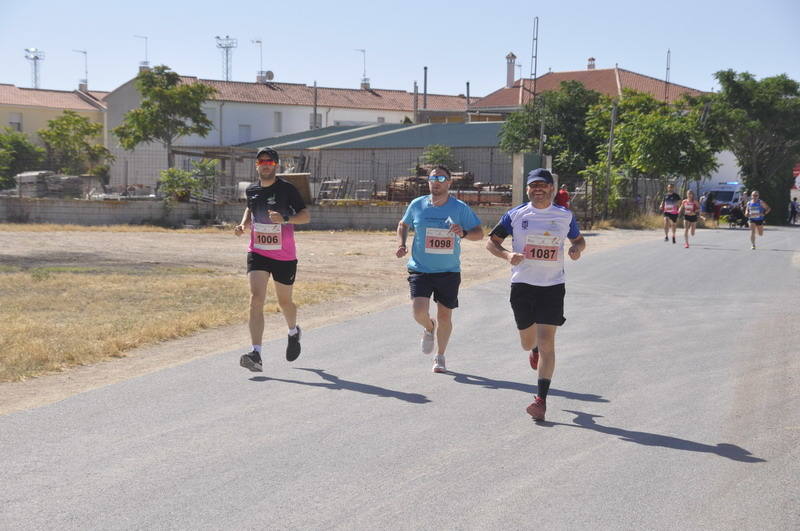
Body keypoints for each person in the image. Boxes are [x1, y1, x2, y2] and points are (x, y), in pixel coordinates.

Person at [486, 168, 586, 421]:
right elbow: (491, 242)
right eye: (533, 185)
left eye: (543, 185)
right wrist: (508, 255)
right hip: (523, 285)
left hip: (552, 286)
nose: (538, 189)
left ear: (552, 188)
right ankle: (533, 350)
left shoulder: (564, 216)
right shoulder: (516, 215)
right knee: (527, 342)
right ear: (527, 189)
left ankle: (540, 400)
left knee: (547, 342)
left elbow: (579, 240)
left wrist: (576, 248)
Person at [396, 165, 484, 373]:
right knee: (418, 312)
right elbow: (403, 224)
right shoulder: (417, 204)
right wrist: (401, 243)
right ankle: (429, 327)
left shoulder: (459, 207)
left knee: (445, 316)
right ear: (428, 182)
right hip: (421, 269)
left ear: (449, 183)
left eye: (442, 178)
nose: (436, 182)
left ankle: (440, 356)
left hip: (449, 271)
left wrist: (462, 233)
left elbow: (479, 233)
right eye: (433, 178)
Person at [235, 147, 310, 372]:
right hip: (257, 251)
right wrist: (243, 224)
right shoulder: (252, 190)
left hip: (284, 256)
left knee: (284, 302)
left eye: (269, 161)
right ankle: (256, 353)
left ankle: (293, 331)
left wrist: (285, 218)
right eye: (261, 161)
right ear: (257, 165)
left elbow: (305, 216)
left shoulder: (287, 189)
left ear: (275, 165)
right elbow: (250, 209)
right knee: (255, 299)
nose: (265, 164)